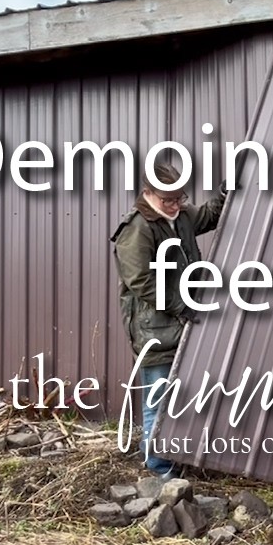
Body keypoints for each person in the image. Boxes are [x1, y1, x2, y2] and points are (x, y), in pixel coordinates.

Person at [111, 162, 228, 477]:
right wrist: (181, 305)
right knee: (158, 401)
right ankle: (159, 470)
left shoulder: (181, 216)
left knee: (175, 397)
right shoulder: (136, 228)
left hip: (181, 322)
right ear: (147, 193)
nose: (176, 205)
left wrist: (224, 190)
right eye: (168, 200)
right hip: (156, 328)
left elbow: (209, 215)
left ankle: (161, 456)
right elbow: (140, 281)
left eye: (180, 198)